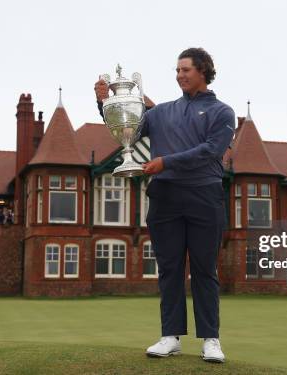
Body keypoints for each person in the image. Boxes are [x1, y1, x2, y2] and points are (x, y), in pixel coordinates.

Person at [95, 47, 234, 363]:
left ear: (203, 71)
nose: (180, 75)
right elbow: (127, 128)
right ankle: (170, 337)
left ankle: (211, 340)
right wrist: (105, 102)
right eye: (177, 70)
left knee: (204, 270)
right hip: (165, 198)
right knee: (170, 270)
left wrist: (165, 162)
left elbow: (211, 151)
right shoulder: (159, 112)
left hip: (204, 197)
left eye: (185, 69)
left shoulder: (222, 112)